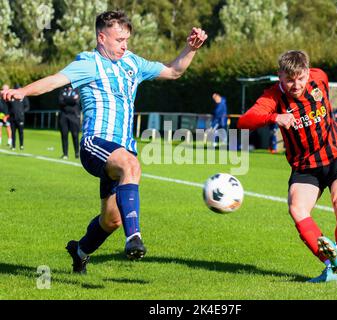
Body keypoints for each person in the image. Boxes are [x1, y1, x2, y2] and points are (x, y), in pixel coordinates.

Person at [2, 10, 208, 274]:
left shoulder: (133, 62)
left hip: (121, 150)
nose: (124, 45)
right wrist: (22, 91)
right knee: (131, 165)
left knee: (111, 220)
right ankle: (134, 239)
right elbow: (54, 81)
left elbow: (173, 71)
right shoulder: (88, 63)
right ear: (102, 37)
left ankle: (79, 251)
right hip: (95, 143)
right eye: (119, 39)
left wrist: (190, 49)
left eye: (127, 39)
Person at [237, 50, 337, 283]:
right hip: (304, 165)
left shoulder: (319, 77)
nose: (296, 84)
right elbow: (243, 122)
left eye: (300, 78)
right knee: (297, 209)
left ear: (308, 72)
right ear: (279, 76)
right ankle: (332, 266)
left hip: (335, 155)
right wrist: (274, 118)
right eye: (289, 79)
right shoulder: (272, 98)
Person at [58, 85, 81, 159]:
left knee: (75, 135)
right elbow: (60, 102)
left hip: (74, 116)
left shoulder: (77, 90)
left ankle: (77, 153)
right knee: (64, 135)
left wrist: (66, 99)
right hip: (63, 116)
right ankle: (65, 154)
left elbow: (76, 101)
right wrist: (71, 99)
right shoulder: (62, 91)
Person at [8, 84, 30, 151]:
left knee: (21, 132)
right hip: (12, 118)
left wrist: (22, 112)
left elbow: (27, 106)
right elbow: (8, 107)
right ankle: (13, 146)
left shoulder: (23, 97)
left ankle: (21, 145)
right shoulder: (11, 98)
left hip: (20, 118)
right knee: (13, 133)